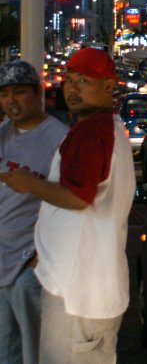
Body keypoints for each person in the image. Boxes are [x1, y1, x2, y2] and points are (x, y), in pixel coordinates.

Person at [0, 47, 135, 364]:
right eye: (70, 80)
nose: (73, 89)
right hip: (79, 287)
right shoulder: (105, 129)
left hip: (79, 293)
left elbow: (78, 196)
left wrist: (29, 183)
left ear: (108, 86)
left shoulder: (87, 133)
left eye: (84, 81)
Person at [0, 61, 68, 364]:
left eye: (19, 92)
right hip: (1, 263)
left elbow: (72, 202)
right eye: (4, 94)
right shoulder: (2, 134)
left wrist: (42, 257)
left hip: (31, 269)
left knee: (36, 354)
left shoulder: (60, 139)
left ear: (38, 94)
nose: (11, 101)